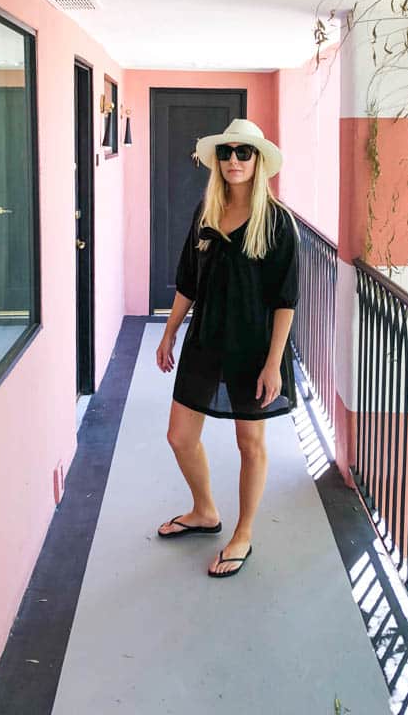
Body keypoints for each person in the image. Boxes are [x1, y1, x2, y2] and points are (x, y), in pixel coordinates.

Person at [155, 118, 300, 579]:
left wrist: (273, 364)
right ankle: (204, 511)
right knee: (180, 435)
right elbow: (188, 281)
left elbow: (285, 301)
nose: (234, 160)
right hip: (205, 339)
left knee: (249, 441)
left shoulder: (278, 222)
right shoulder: (206, 212)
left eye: (244, 152)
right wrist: (169, 331)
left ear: (258, 161)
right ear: (217, 161)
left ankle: (243, 533)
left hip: (254, 347)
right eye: (227, 153)